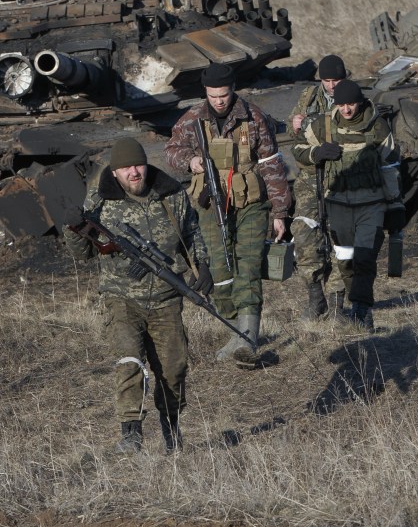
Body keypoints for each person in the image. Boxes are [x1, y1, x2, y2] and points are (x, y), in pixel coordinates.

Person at [63, 137, 211, 454]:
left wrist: (202, 265)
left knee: (174, 368)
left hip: (167, 297)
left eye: (138, 165)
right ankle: (131, 432)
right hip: (121, 297)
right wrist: (71, 227)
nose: (134, 172)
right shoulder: (100, 201)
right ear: (114, 172)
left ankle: (172, 428)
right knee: (129, 360)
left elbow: (191, 231)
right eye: (126, 168)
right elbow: (83, 253)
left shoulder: (172, 195)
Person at [164, 62, 292, 364]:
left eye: (224, 94)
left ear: (233, 90)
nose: (219, 100)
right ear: (205, 93)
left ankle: (249, 339)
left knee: (247, 265)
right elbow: (170, 150)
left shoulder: (253, 116)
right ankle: (235, 332)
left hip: (250, 202)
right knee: (220, 270)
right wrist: (191, 160)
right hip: (210, 204)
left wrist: (279, 211)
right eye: (213, 95)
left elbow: (272, 164)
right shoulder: (193, 118)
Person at [292, 79, 404, 331]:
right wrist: (317, 153)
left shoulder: (377, 126)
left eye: (351, 103)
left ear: (360, 102)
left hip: (371, 204)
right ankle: (352, 303)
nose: (346, 109)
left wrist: (396, 205)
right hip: (338, 204)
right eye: (341, 104)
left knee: (365, 257)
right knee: (345, 259)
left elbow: (391, 167)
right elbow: (298, 149)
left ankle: (362, 310)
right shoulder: (324, 125)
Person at [288, 55, 348, 320]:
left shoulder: (353, 97)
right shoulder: (309, 96)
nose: (332, 85)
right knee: (304, 235)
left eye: (336, 80)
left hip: (341, 175)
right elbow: (295, 131)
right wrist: (296, 125)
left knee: (341, 239)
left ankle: (337, 305)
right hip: (310, 176)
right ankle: (316, 299)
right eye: (327, 80)